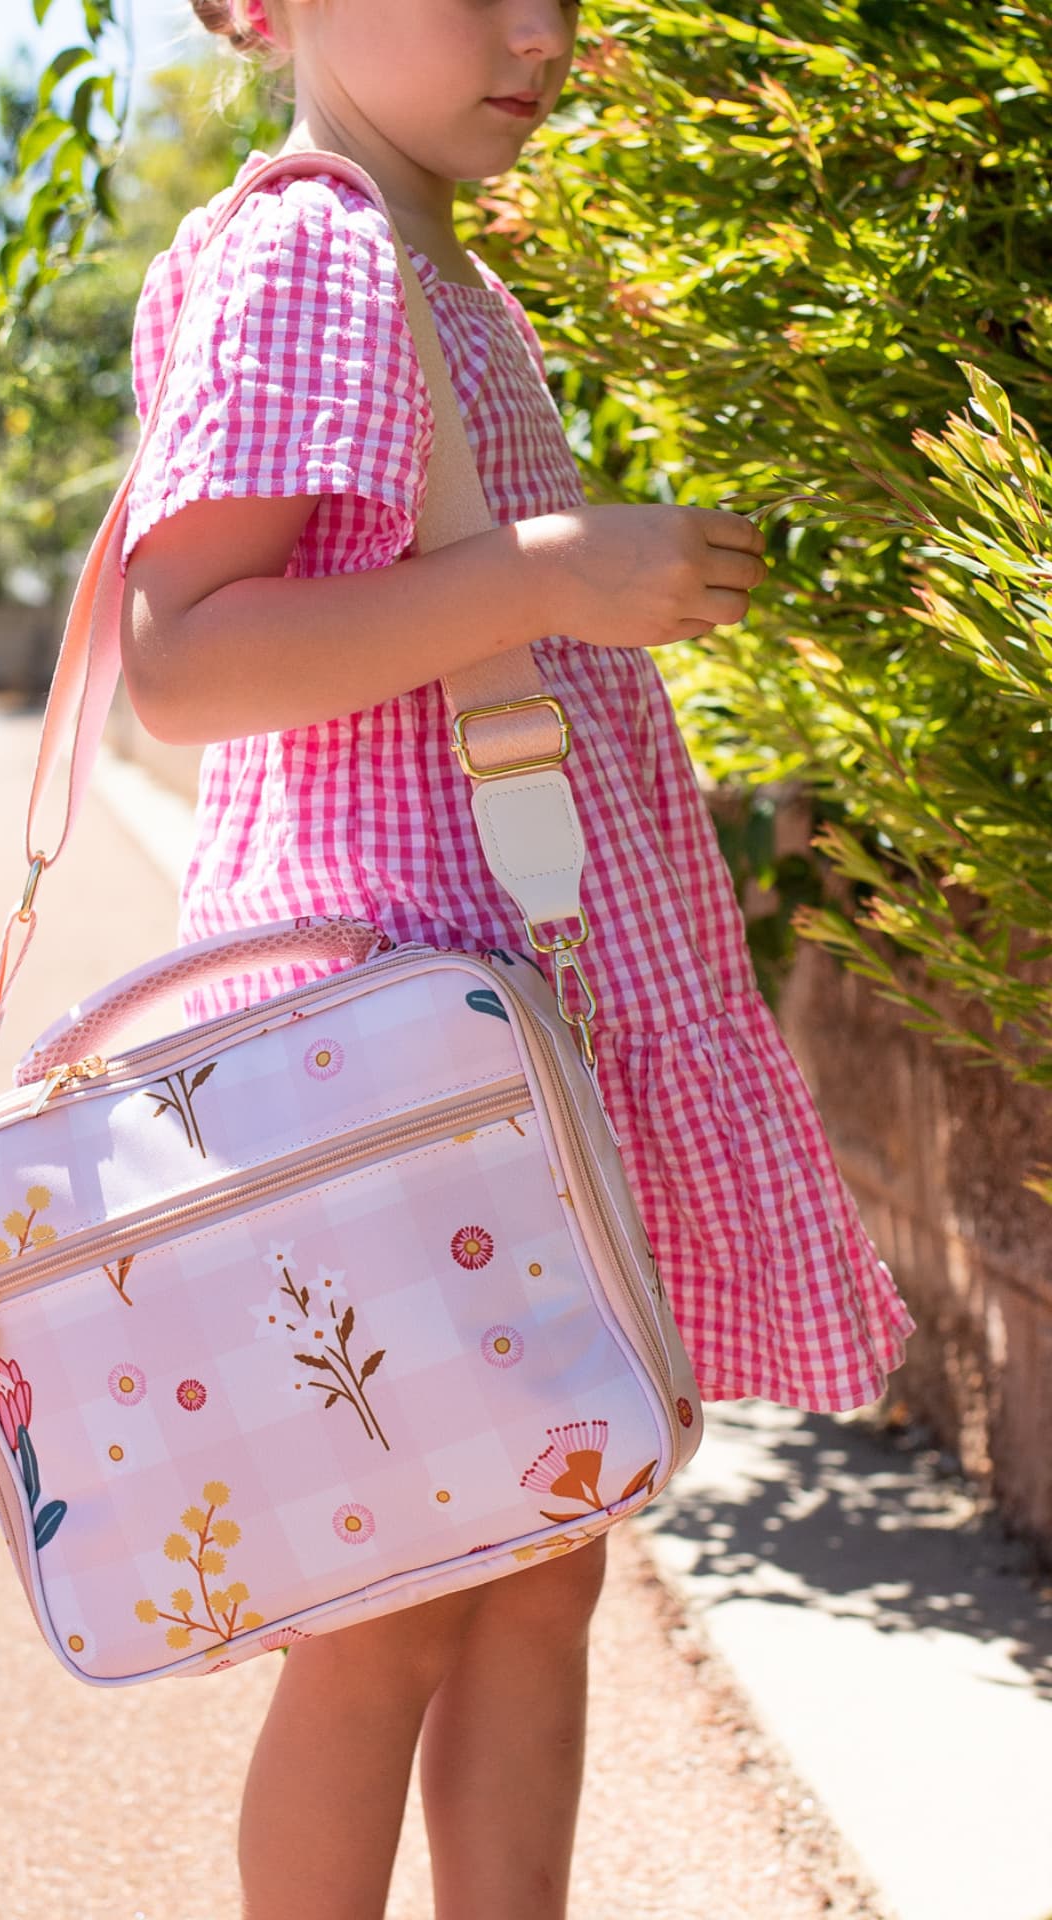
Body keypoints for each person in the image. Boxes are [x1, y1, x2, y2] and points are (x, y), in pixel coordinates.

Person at [119, 3, 916, 1915]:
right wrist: (552, 578)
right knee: (396, 1599)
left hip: (488, 1051)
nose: (534, 29)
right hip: (397, 1066)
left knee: (544, 1561)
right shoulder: (312, 245)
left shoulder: (433, 268)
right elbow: (185, 664)